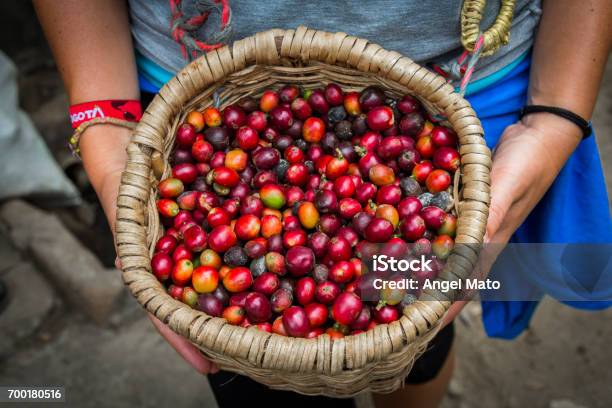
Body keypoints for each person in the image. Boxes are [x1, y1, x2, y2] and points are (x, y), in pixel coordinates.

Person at [33, 1, 612, 407]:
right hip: (192, 80)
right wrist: (107, 141)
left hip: (463, 95)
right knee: (262, 378)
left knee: (419, 328)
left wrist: (556, 113)